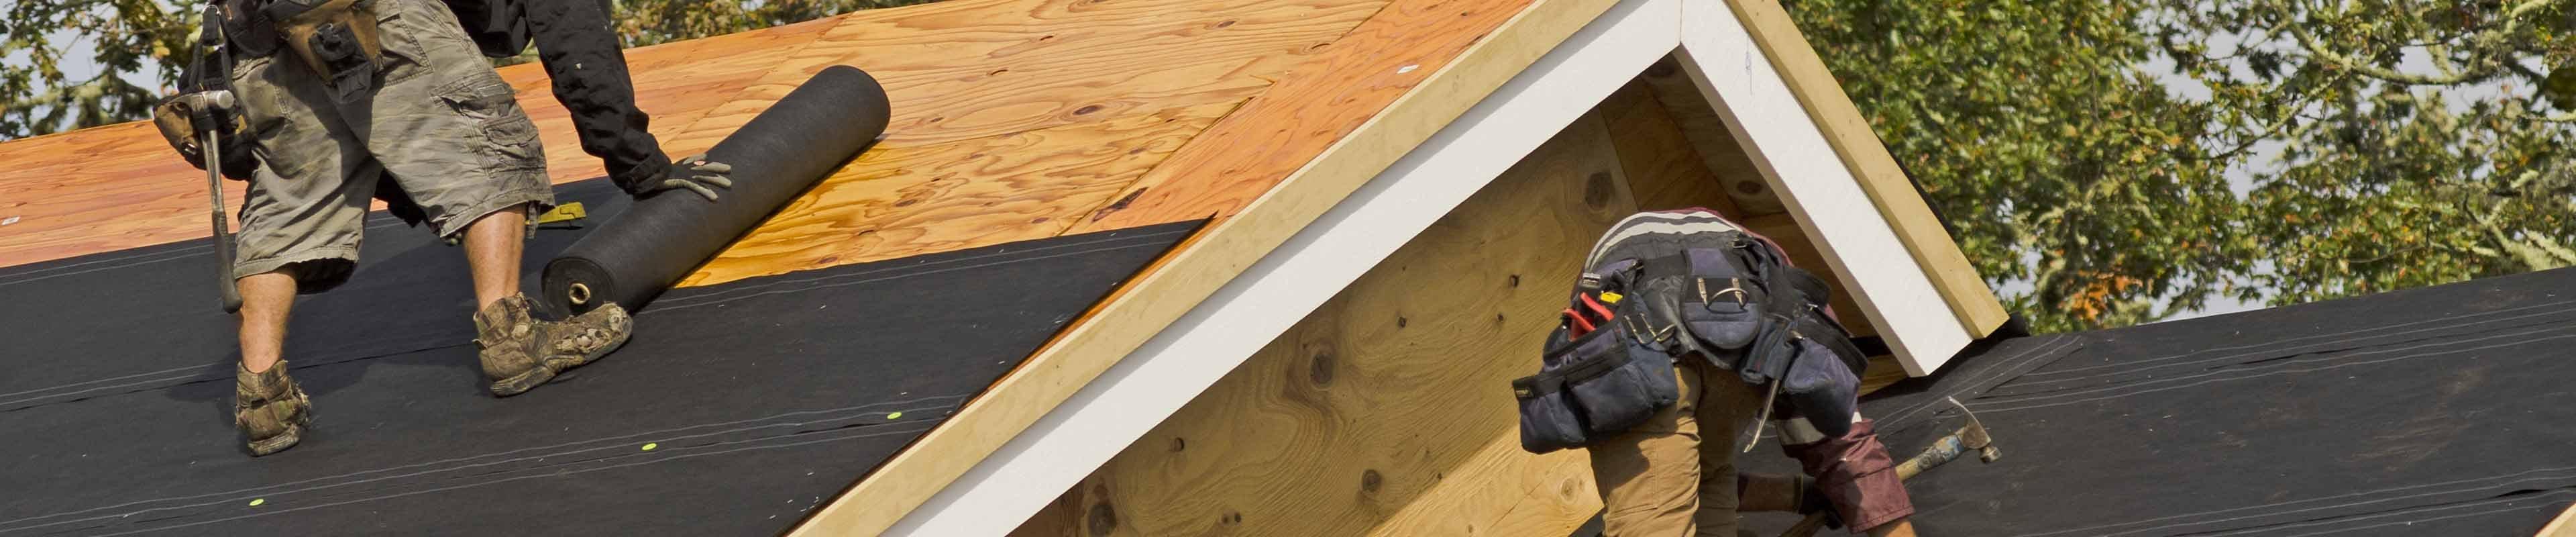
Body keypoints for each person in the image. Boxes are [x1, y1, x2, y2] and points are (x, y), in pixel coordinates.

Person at [155, 0, 724, 457]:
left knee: (288, 204)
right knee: (488, 149)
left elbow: (370, 142)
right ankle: (514, 340)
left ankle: (263, 400)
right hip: (366, 14)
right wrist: (640, 165)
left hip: (251, 38)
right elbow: (574, 38)